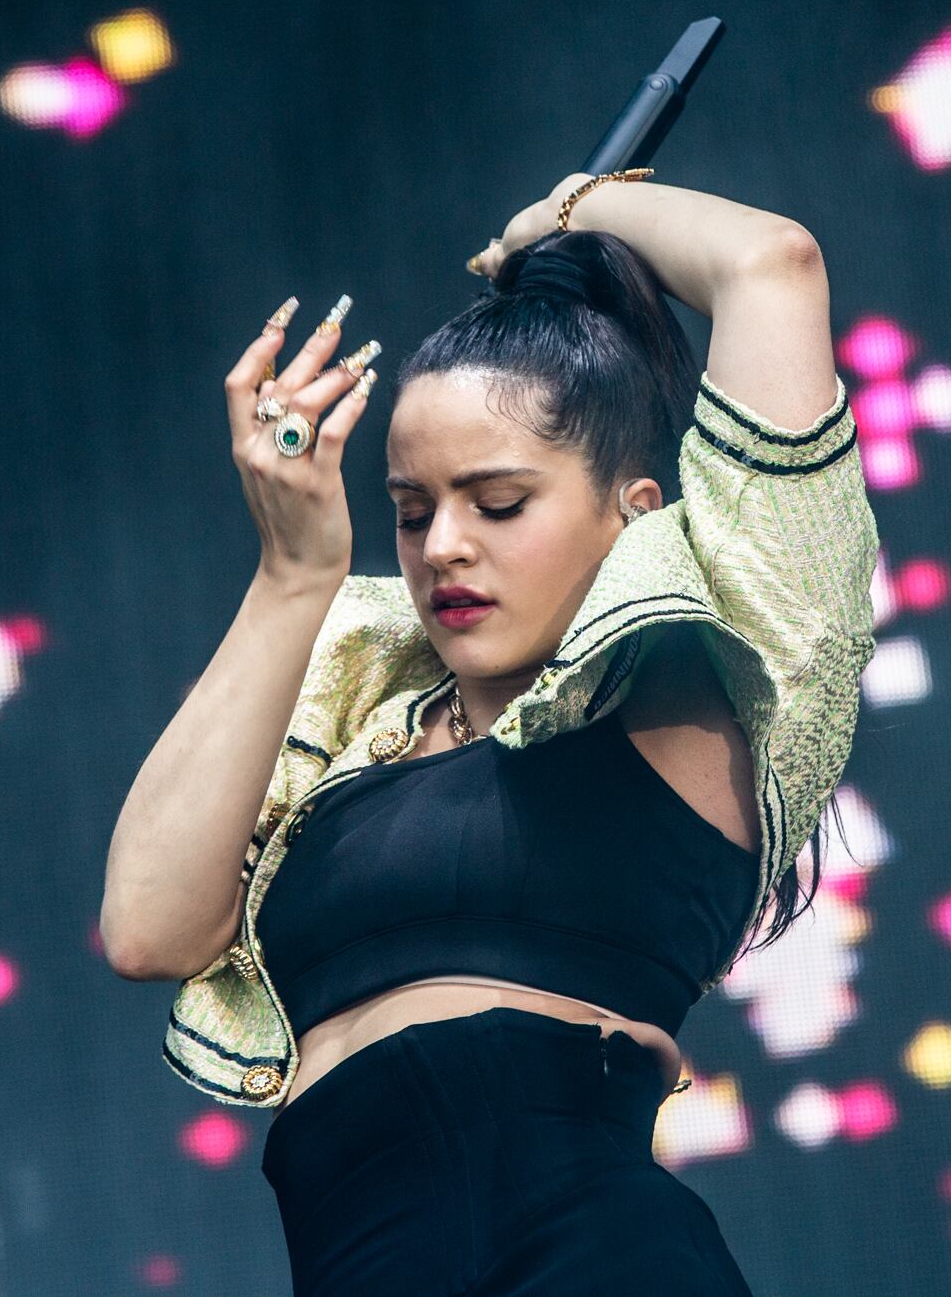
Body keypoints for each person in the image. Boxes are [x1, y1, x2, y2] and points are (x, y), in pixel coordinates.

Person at [102, 169, 882, 1293]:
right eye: (411, 512)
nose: (443, 547)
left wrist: (563, 212)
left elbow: (771, 265)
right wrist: (292, 574)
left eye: (498, 503)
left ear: (635, 513)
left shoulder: (699, 677)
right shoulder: (358, 721)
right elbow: (146, 929)